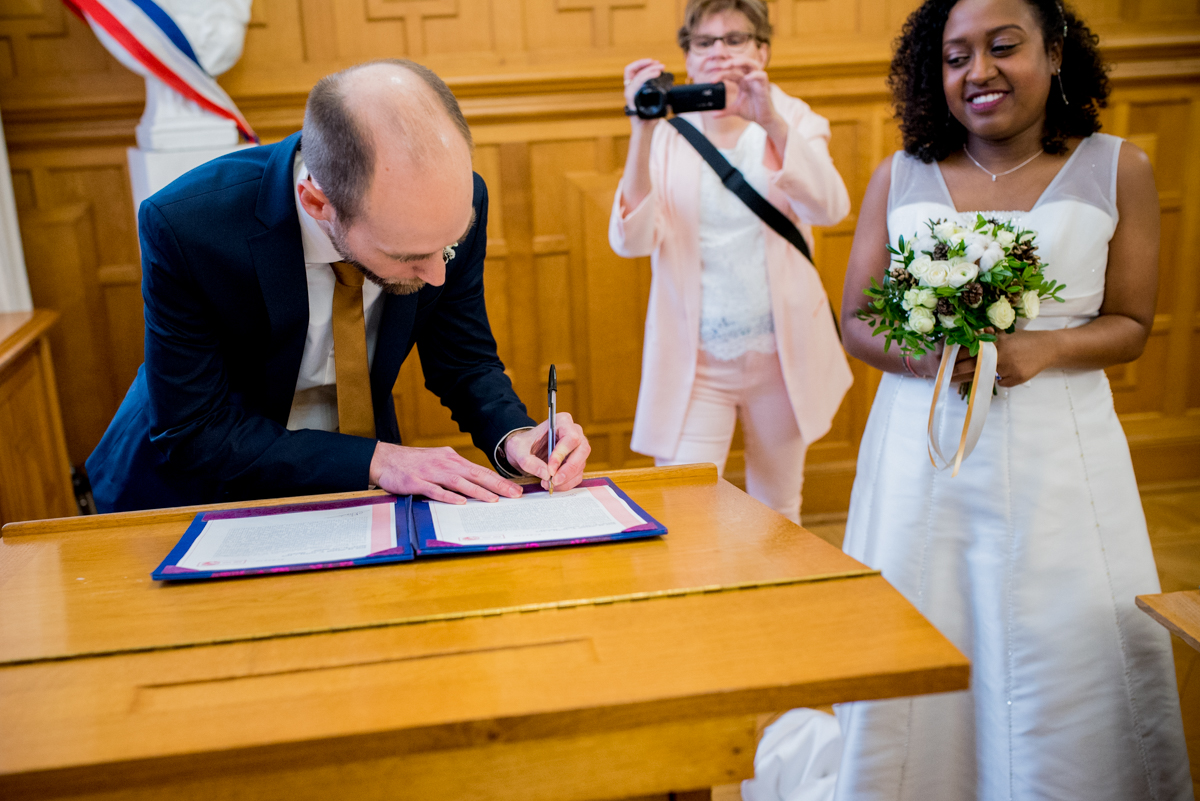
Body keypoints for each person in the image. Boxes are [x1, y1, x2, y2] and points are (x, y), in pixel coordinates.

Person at [836, 1, 1193, 798]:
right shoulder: (899, 173)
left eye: (1004, 47)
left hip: (1060, 447)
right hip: (922, 443)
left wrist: (1043, 347)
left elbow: (1132, 323)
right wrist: (931, 356)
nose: (979, 72)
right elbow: (856, 319)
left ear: (1057, 51)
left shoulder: (1118, 166)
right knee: (920, 617)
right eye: (956, 57)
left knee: (1056, 632)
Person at [86, 60, 590, 513]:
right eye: (408, 256)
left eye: (448, 245)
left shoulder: (448, 206)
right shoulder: (188, 227)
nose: (437, 273)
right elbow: (197, 430)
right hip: (195, 491)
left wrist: (516, 437)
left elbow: (463, 359)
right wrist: (378, 460)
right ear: (317, 204)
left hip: (361, 481)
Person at [609, 0, 852, 524]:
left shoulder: (794, 118)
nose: (719, 53)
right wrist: (640, 126)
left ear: (762, 50)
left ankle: (776, 607)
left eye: (736, 39)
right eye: (705, 42)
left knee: (779, 509)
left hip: (782, 357)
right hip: (695, 361)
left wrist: (772, 122)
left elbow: (829, 207)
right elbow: (631, 241)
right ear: (689, 59)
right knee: (685, 512)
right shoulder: (666, 134)